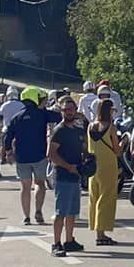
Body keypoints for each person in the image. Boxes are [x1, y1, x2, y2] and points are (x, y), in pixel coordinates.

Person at [4, 87, 53, 228]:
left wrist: (8, 151)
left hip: (22, 156)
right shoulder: (42, 114)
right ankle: (38, 211)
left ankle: (26, 217)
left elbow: (8, 137)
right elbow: (58, 117)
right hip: (39, 155)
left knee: (25, 187)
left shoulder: (16, 117)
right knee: (40, 183)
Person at [47, 97, 89, 258]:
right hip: (63, 175)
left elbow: (84, 148)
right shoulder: (59, 131)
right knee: (60, 212)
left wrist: (88, 159)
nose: (69, 112)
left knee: (72, 212)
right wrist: (68, 166)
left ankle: (69, 240)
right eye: (65, 110)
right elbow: (51, 154)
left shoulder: (77, 131)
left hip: (75, 175)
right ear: (61, 111)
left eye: (71, 109)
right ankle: (56, 243)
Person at [87, 98, 124, 246]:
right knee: (106, 197)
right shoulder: (111, 127)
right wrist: (124, 142)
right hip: (107, 165)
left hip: (92, 166)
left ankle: (98, 231)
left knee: (94, 197)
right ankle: (101, 233)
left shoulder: (90, 126)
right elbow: (117, 150)